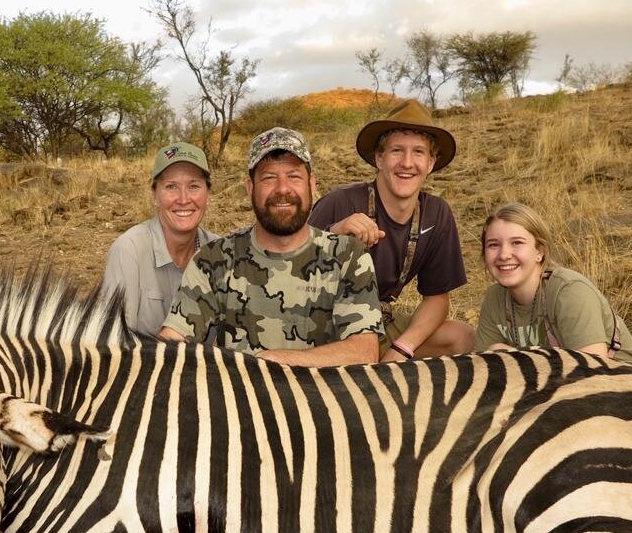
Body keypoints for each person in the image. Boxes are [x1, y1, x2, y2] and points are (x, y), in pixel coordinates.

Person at [159, 128, 383, 366]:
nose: (282, 188)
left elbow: (364, 351)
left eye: (294, 176)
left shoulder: (348, 255)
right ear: (249, 187)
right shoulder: (213, 260)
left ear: (312, 184)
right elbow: (173, 342)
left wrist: (270, 363)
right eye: (268, 178)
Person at [309, 99, 474, 362]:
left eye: (418, 152)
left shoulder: (437, 213)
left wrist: (402, 349)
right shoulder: (339, 202)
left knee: (462, 337)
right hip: (326, 325)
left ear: (431, 162)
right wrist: (334, 235)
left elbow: (437, 298)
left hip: (381, 323)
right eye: (397, 150)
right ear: (379, 158)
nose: (407, 163)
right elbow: (291, 268)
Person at [475, 202, 632, 380]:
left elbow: (593, 372)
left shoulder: (569, 291)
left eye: (517, 243)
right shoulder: (495, 298)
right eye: (493, 244)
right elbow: (485, 369)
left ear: (540, 251)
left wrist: (516, 358)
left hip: (630, 389)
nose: (504, 255)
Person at [101, 142, 218, 336]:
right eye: (171, 187)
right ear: (155, 195)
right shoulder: (129, 250)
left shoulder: (219, 252)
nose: (183, 199)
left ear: (207, 194)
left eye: (194, 186)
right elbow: (113, 343)